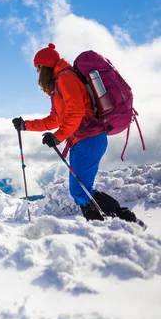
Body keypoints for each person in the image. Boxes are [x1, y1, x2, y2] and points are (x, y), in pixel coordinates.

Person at [12, 43, 140, 223]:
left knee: (81, 190)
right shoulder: (59, 85)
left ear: (45, 67)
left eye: (38, 68)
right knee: (81, 190)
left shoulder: (66, 79)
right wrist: (25, 125)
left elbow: (77, 112)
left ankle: (125, 220)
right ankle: (107, 223)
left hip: (89, 139)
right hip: (82, 140)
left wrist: (57, 137)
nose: (38, 73)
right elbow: (54, 119)